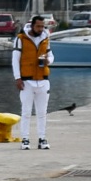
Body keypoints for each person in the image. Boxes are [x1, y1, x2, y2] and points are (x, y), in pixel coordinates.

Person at [12, 15, 54, 150]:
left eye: (42, 26)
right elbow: (15, 60)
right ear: (32, 26)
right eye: (38, 26)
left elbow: (51, 55)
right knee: (26, 112)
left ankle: (42, 138)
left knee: (42, 112)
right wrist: (17, 78)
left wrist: (49, 61)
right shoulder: (20, 39)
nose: (41, 29)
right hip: (27, 81)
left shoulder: (45, 38)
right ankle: (25, 139)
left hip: (42, 80)